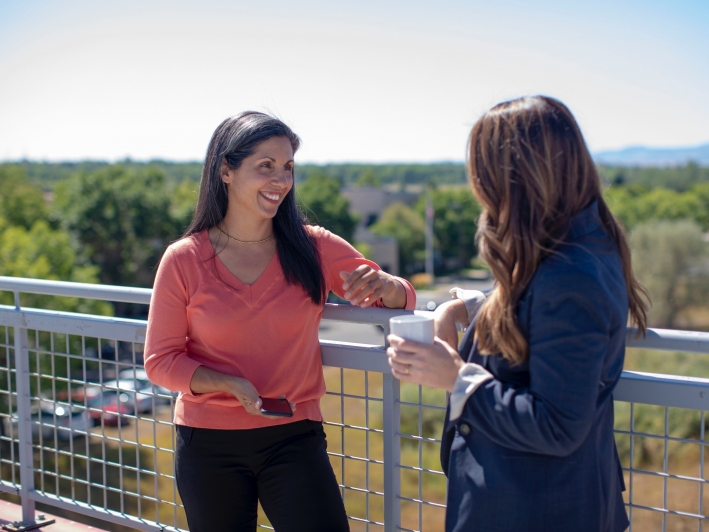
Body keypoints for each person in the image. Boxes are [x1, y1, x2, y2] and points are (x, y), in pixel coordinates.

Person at [144, 111, 416, 532]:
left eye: (287, 167)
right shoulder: (184, 259)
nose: (281, 180)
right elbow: (160, 360)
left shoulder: (314, 246)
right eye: (265, 166)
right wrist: (228, 385)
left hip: (295, 437)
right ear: (225, 171)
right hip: (207, 443)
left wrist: (387, 285)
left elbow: (397, 298)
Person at [386, 96, 648, 532]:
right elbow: (537, 300)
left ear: (515, 177)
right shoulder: (578, 242)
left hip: (538, 508)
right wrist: (470, 307)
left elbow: (557, 426)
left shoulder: (572, 274)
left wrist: (456, 377)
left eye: (482, 172)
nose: (478, 187)